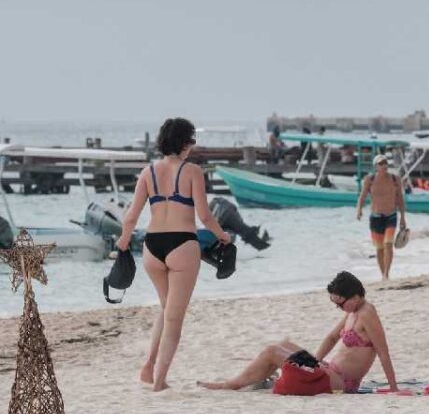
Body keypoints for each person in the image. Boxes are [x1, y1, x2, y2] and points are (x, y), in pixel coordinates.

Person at [115, 118, 231, 391]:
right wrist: (223, 236)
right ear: (183, 143)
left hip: (152, 246)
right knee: (174, 317)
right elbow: (204, 215)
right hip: (182, 245)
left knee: (166, 309)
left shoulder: (148, 172)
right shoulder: (192, 172)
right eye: (190, 140)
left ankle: (147, 367)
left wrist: (122, 243)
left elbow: (131, 216)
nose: (192, 146)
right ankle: (160, 381)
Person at [199, 271, 398, 393]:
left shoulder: (367, 313)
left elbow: (383, 351)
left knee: (272, 352)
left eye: (340, 304)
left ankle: (229, 385)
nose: (338, 308)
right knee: (283, 345)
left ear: (354, 297)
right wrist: (315, 363)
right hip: (329, 371)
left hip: (341, 382)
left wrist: (393, 387)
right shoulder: (353, 312)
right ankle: (248, 380)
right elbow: (331, 338)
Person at [356, 154, 407, 280]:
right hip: (375, 217)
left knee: (388, 244)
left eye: (385, 163)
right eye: (381, 164)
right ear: (376, 166)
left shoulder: (395, 179)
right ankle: (382, 273)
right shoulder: (370, 179)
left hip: (391, 215)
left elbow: (400, 198)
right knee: (379, 248)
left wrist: (403, 217)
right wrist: (359, 210)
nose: (384, 166)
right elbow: (362, 196)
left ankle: (386, 274)